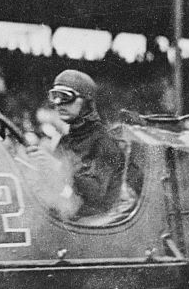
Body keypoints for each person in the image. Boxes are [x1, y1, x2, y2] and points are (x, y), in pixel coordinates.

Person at [29, 69, 124, 219]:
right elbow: (57, 188)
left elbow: (96, 194)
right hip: (69, 217)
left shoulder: (104, 142)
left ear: (86, 102)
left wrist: (57, 167)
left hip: (96, 226)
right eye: (55, 96)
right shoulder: (66, 140)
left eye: (66, 97)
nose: (59, 103)